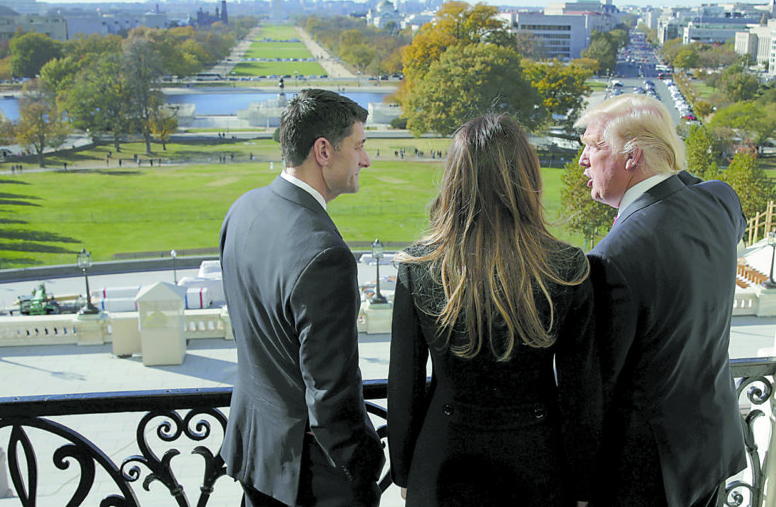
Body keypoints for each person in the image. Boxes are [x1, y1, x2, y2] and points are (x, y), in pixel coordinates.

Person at [388, 113, 599, 507]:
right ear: (527, 178)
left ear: (455, 179)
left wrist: (403, 469)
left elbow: (405, 385)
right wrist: (584, 484)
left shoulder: (418, 267)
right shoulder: (567, 267)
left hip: (442, 458)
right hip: (539, 461)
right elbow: (580, 393)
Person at [576, 93, 746, 507]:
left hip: (650, 475)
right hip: (711, 450)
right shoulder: (720, 201)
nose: (582, 159)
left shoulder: (611, 257)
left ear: (631, 158)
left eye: (594, 146)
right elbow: (684, 186)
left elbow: (599, 385)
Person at [219, 88, 385, 507]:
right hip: (311, 478)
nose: (365, 160)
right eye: (360, 146)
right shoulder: (325, 254)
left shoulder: (242, 209)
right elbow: (330, 393)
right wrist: (363, 463)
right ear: (324, 150)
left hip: (256, 453)